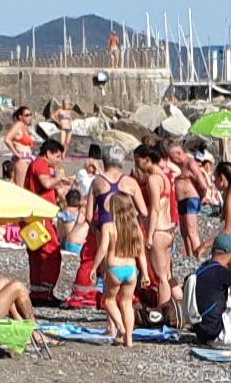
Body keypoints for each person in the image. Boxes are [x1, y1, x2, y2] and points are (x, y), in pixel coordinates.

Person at [68, 143, 145, 308]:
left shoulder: (97, 182)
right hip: (127, 229)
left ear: (104, 160)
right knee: (128, 271)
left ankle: (111, 324)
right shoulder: (130, 182)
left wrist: (96, 228)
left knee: (108, 277)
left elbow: (89, 215)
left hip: (105, 228)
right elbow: (144, 212)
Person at [91, 193, 150, 346]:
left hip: (114, 267)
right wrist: (145, 274)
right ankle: (129, 339)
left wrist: (94, 267)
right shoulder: (135, 227)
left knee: (109, 300)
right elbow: (141, 254)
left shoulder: (108, 226)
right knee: (127, 303)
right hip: (131, 269)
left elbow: (103, 249)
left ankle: (121, 328)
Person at [24, 139, 69, 306]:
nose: (59, 160)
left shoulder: (37, 165)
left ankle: (38, 291)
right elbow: (46, 183)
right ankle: (45, 292)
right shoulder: (41, 164)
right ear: (49, 153)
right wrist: (59, 177)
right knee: (50, 253)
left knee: (36, 254)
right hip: (41, 216)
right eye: (57, 156)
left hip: (36, 215)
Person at [135, 144, 176, 306]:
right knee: (168, 275)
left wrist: (149, 236)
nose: (137, 164)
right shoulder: (165, 177)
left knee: (161, 278)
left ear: (146, 160)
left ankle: (164, 311)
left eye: (138, 161)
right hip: (168, 229)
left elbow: (155, 210)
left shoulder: (153, 180)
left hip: (158, 230)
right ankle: (178, 309)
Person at [165, 139, 209, 257]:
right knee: (184, 232)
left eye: (172, 156)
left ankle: (199, 256)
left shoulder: (190, 163)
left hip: (191, 199)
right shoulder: (177, 165)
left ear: (179, 154)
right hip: (180, 201)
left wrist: (202, 196)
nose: (171, 159)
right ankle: (190, 256)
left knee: (191, 230)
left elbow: (203, 184)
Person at [4, 106, 36, 187]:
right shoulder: (18, 125)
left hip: (28, 157)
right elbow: (7, 139)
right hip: (21, 158)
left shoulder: (25, 127)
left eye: (30, 114)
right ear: (20, 116)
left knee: (27, 185)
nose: (29, 117)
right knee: (20, 186)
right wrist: (16, 153)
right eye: (27, 115)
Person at [58, 189, 88, 255]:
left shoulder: (61, 214)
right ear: (79, 201)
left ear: (66, 199)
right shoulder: (80, 214)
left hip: (63, 242)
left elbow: (59, 232)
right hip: (73, 243)